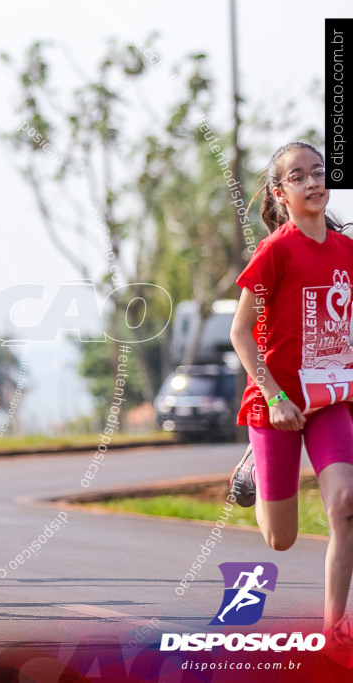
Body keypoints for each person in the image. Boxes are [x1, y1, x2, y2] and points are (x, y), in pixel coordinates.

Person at [228, 141, 353, 633]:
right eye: (298, 177)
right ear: (281, 193)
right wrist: (276, 396)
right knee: (281, 539)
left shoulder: (347, 252)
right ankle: (253, 468)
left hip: (329, 399)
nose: (313, 183)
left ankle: (334, 628)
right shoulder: (275, 252)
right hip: (276, 399)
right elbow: (241, 333)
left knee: (345, 504)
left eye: (318, 173)